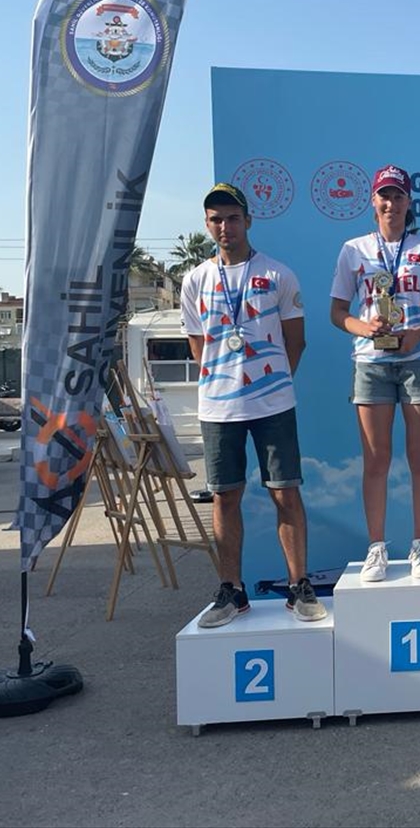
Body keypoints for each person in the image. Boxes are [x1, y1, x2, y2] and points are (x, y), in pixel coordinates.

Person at [180, 182, 326, 628]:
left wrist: (271, 384)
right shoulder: (195, 279)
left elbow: (295, 342)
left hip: (273, 402)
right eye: (216, 220)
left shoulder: (279, 275)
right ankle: (232, 590)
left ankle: (299, 584)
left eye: (232, 218)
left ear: (248, 221)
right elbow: (198, 346)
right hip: (218, 407)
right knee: (225, 496)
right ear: (208, 226)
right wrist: (225, 382)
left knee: (285, 492)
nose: (225, 226)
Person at [330, 165, 420, 581]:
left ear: (409, 201)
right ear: (373, 201)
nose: (391, 203)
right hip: (371, 364)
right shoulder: (353, 249)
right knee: (376, 460)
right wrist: (365, 328)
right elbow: (337, 312)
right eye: (384, 196)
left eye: (398, 196)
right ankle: (377, 547)